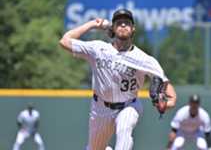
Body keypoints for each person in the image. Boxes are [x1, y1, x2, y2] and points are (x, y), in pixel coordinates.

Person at [60, 8, 177, 150]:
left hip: (128, 105)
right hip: (100, 109)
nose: (123, 25)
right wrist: (93, 24)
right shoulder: (98, 49)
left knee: (124, 130)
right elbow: (65, 41)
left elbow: (169, 92)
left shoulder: (145, 59)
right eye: (119, 23)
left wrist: (165, 104)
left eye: (127, 23)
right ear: (113, 28)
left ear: (133, 29)